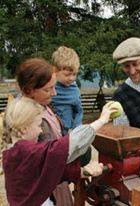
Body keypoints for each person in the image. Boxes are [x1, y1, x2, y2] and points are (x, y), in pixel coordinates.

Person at [14, 57, 111, 205]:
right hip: (42, 191)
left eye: (54, 87)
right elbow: (55, 154)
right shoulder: (26, 119)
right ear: (29, 90)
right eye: (48, 89)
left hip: (54, 181)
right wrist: (101, 121)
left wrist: (81, 169)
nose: (54, 93)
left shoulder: (41, 105)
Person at [1, 96, 116, 206]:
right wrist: (101, 120)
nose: (40, 131)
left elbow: (46, 172)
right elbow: (69, 144)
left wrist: (82, 171)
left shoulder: (12, 153)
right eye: (38, 125)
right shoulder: (25, 151)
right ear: (24, 128)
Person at [51, 46, 83, 134]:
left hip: (67, 132)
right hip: (50, 130)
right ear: (55, 70)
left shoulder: (74, 90)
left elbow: (79, 111)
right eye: (67, 75)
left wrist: (76, 129)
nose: (71, 78)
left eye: (75, 74)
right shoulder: (47, 87)